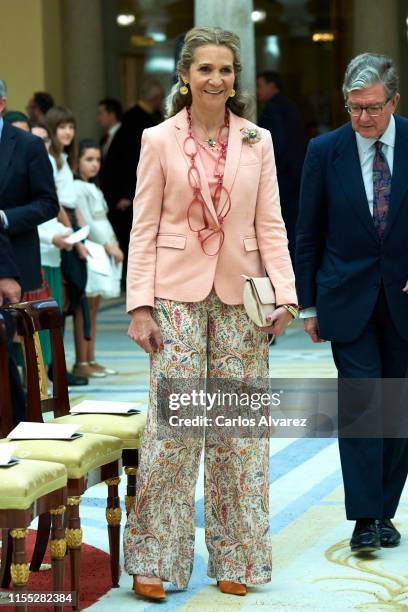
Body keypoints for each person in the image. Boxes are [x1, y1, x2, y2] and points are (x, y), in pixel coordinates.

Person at [124, 26, 298, 600]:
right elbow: (143, 226)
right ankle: (154, 559)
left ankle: (238, 559)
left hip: (241, 299)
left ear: (235, 78)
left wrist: (286, 293)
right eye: (205, 69)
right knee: (175, 431)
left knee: (238, 435)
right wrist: (140, 306)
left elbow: (269, 223)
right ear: (185, 75)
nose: (216, 79)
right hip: (173, 295)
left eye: (225, 69)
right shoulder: (157, 139)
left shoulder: (258, 140)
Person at [296, 53, 408, 553]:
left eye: (373, 107)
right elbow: (307, 231)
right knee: (364, 404)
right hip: (347, 297)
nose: (363, 118)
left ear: (394, 101)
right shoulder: (325, 151)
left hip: (404, 298)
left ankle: (384, 509)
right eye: (354, 107)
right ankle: (365, 518)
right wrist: (308, 304)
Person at [0, 78, 59, 423]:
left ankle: (17, 421)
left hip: (14, 266)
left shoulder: (27, 146)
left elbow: (48, 203)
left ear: (2, 104)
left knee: (5, 345)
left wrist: (6, 217)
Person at [45, 105, 89, 386]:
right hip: (60, 225)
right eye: (62, 127)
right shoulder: (49, 159)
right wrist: (73, 235)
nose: (68, 132)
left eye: (71, 127)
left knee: (72, 297)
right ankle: (52, 367)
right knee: (62, 298)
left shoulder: (63, 158)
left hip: (71, 223)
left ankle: (59, 366)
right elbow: (56, 201)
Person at [102, 80, 164, 277]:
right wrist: (127, 194)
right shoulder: (135, 120)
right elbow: (131, 161)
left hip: (137, 190)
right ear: (155, 99)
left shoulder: (144, 116)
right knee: (130, 238)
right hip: (129, 193)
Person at [73, 138, 123, 377]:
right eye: (88, 159)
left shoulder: (94, 186)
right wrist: (107, 245)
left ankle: (91, 358)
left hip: (104, 248)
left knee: (94, 307)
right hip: (93, 249)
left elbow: (102, 220)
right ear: (77, 161)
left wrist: (113, 243)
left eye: (97, 160)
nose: (94, 164)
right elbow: (89, 223)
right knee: (86, 306)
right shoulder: (77, 187)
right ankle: (82, 361)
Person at [257, 71, 304, 262]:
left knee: (281, 225)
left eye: (260, 86)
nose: (258, 91)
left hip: (283, 175)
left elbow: (277, 144)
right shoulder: (285, 105)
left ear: (271, 86)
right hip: (292, 174)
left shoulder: (274, 108)